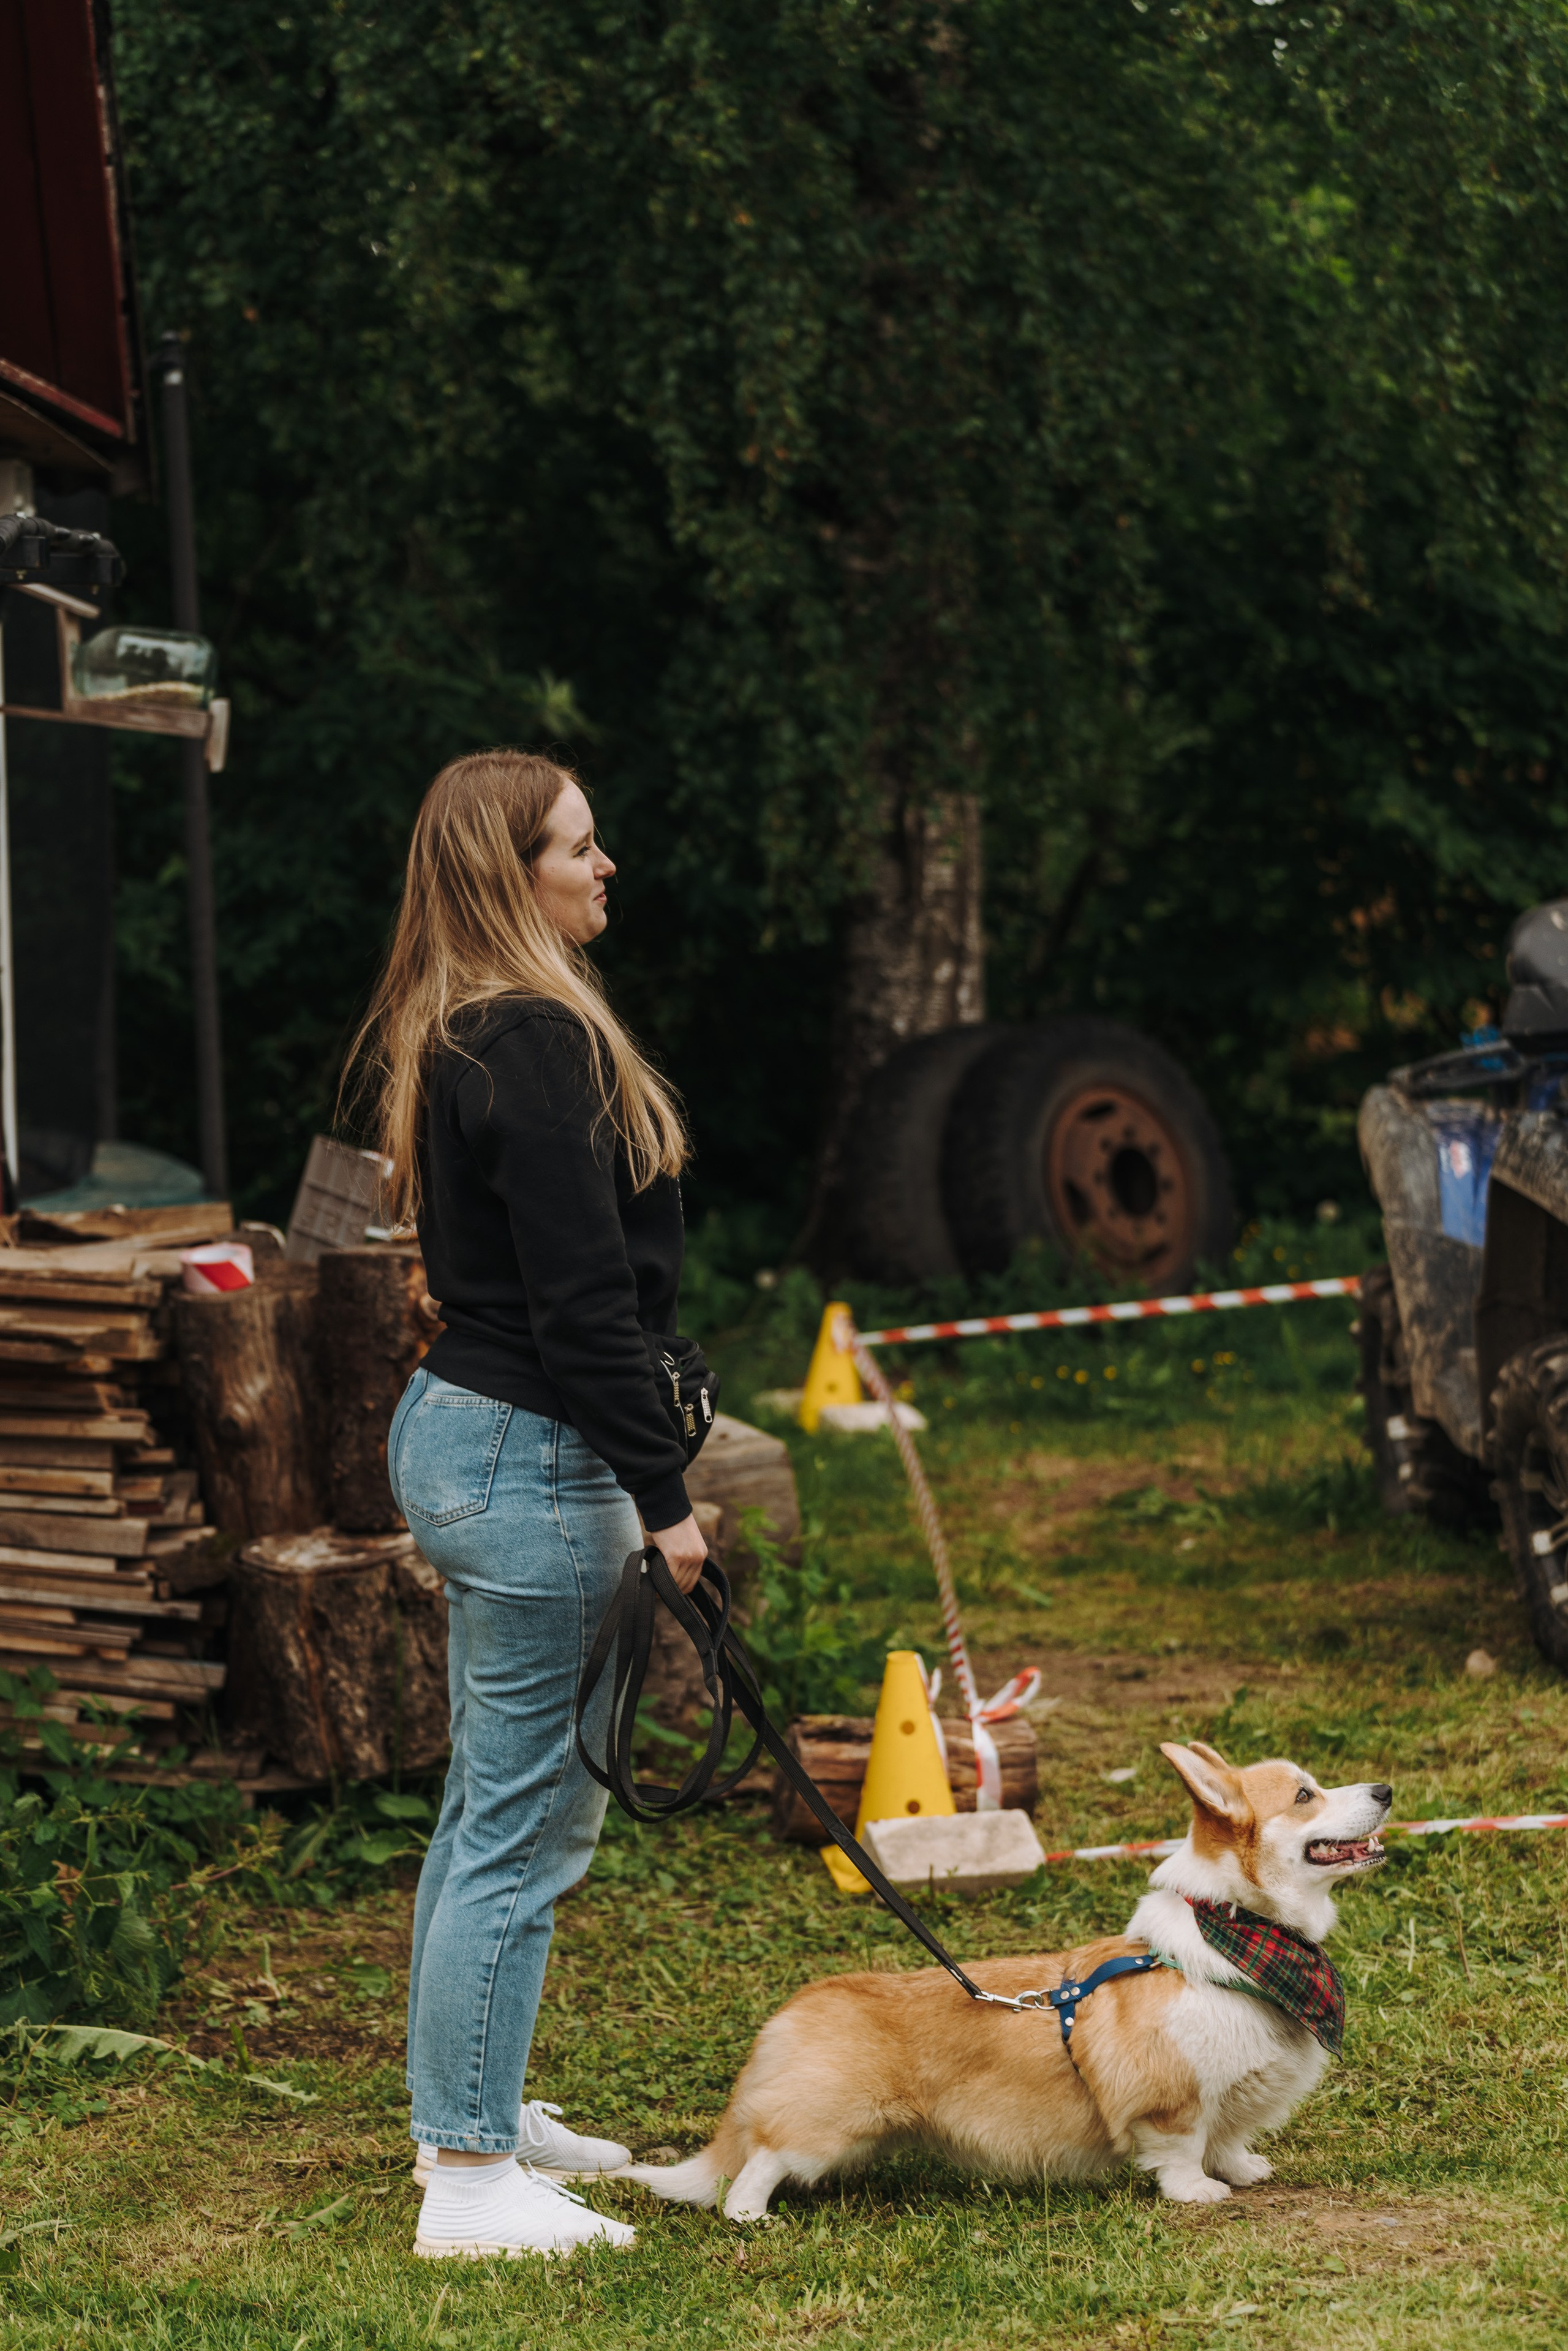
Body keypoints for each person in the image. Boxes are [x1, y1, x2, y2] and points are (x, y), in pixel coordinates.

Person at [350, 749, 707, 2259]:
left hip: (472, 1435)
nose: (604, 859)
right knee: (523, 1825)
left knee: (489, 1811)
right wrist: (669, 1498)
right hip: (529, 1455)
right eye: (578, 842)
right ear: (518, 872)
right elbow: (578, 1306)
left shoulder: (468, 1026)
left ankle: (474, 2100)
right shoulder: (538, 1039)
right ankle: (470, 2173)